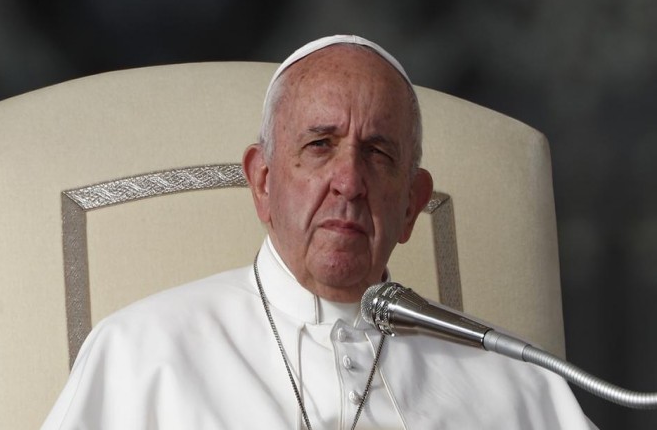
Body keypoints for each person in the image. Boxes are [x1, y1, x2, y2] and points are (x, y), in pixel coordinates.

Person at [40, 35, 595, 429]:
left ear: (411, 206)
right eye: (319, 145)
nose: (348, 182)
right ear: (262, 181)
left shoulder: (514, 381)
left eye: (378, 154)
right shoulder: (142, 354)